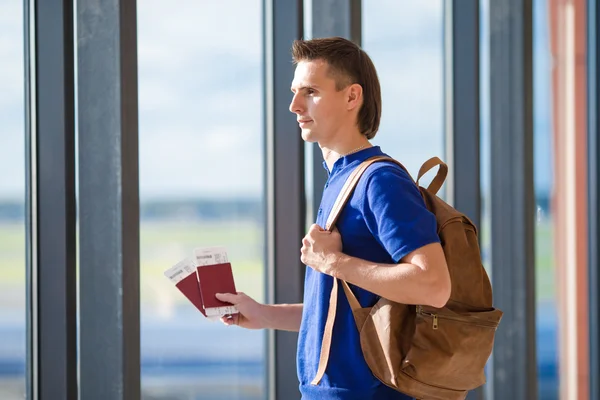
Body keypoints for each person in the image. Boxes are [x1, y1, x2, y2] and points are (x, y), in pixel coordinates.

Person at [216, 37, 451, 400]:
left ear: (351, 97)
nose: (294, 105)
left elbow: (434, 286)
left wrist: (333, 262)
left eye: (310, 91)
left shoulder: (379, 181)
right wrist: (264, 315)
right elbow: (344, 313)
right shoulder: (341, 179)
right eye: (295, 91)